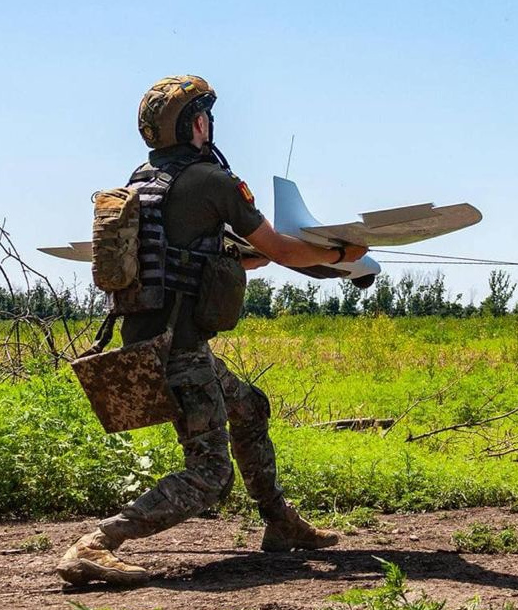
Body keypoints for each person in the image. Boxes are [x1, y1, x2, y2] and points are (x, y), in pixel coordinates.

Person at [56, 75, 368, 586]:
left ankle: (280, 522)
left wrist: (240, 262)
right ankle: (97, 543)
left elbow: (190, 262)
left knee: (250, 406)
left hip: (148, 344)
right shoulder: (212, 181)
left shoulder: (143, 183)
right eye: (205, 116)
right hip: (178, 349)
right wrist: (341, 255)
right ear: (197, 123)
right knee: (210, 475)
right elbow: (281, 250)